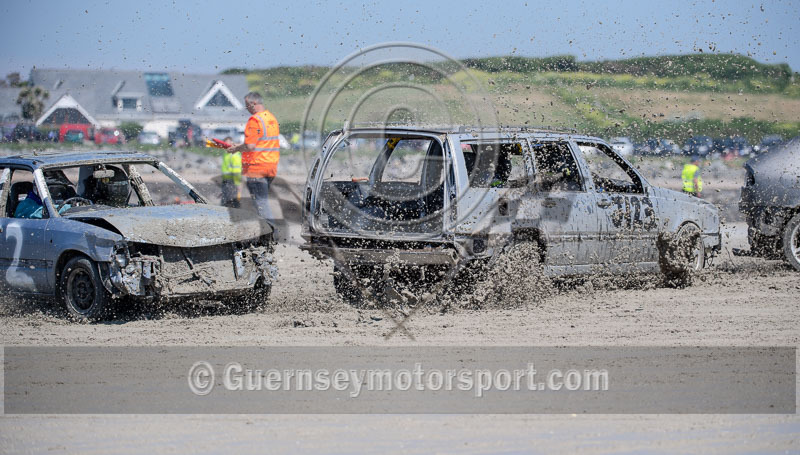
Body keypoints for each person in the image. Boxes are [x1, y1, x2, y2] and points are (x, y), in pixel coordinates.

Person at [226, 92, 280, 220]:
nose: (246, 108)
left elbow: (250, 146)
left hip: (256, 168)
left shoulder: (255, 120)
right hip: (270, 167)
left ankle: (271, 233)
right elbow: (261, 142)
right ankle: (266, 232)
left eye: (246, 105)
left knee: (260, 204)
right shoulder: (270, 118)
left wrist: (236, 148)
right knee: (263, 202)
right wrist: (240, 145)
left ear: (253, 103)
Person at [220, 136, 242, 208]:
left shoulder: (234, 155)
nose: (226, 146)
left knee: (231, 202)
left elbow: (237, 171)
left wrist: (238, 184)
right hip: (226, 181)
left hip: (232, 182)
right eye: (225, 144)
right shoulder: (226, 154)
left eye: (228, 144)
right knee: (225, 201)